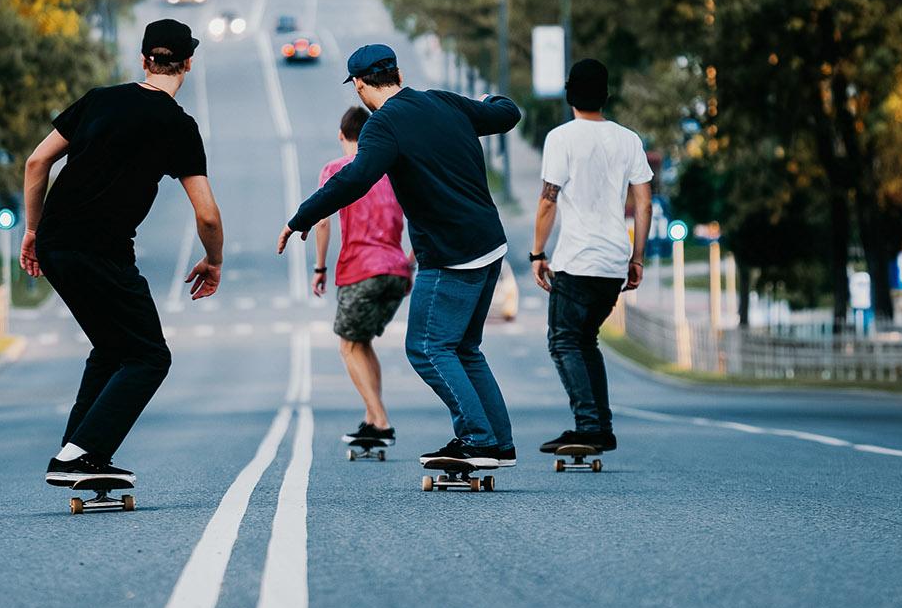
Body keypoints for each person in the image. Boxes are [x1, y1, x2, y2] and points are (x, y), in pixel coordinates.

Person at [279, 44, 521, 472]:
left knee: (427, 347)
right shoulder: (443, 102)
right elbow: (506, 115)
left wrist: (303, 216)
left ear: (358, 84)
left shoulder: (382, 126)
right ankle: (497, 444)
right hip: (489, 244)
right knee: (464, 348)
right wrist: (490, 100)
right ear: (398, 73)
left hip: (450, 254)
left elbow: (354, 179)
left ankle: (477, 438)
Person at [20, 19, 223, 490]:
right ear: (187, 63)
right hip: (102, 252)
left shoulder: (98, 99)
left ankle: (78, 452)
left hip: (56, 244)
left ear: (144, 60)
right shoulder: (178, 125)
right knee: (150, 356)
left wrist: (33, 229)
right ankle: (80, 455)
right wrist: (213, 260)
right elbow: (207, 215)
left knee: (113, 349)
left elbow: (36, 162)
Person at [530, 57, 653, 455]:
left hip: (577, 258)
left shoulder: (561, 138)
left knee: (564, 341)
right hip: (614, 259)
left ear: (570, 94)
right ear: (606, 95)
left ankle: (588, 426)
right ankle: (600, 426)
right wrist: (637, 259)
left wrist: (536, 252)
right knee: (586, 341)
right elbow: (644, 204)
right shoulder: (629, 139)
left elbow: (548, 202)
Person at [312, 104, 413, 449]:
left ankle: (380, 420)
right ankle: (371, 418)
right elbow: (421, 214)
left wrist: (320, 267)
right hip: (396, 272)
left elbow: (322, 220)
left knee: (348, 346)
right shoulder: (392, 171)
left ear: (342, 136)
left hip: (361, 270)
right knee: (363, 342)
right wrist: (410, 260)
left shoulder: (336, 168)